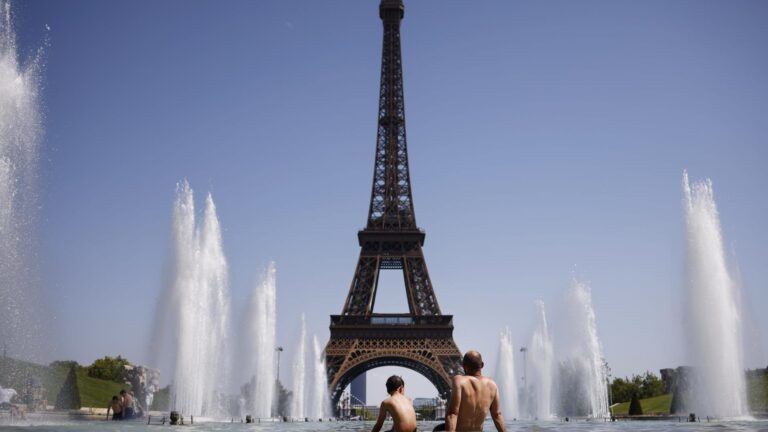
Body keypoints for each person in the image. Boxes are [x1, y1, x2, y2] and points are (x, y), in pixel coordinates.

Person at [445, 351, 506, 432]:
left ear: (463, 366)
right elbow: (497, 415)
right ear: (482, 365)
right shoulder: (492, 384)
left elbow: (453, 414)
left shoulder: (460, 380)